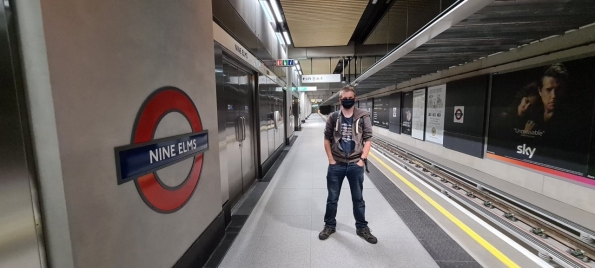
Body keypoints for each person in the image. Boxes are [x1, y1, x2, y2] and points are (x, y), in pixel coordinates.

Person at [320, 86, 377, 244]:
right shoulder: (333, 117)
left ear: (355, 98)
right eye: (344, 98)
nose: (347, 100)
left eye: (350, 98)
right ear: (340, 100)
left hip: (355, 164)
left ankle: (362, 228)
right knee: (332, 198)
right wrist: (331, 160)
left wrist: (362, 160)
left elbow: (368, 140)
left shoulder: (363, 116)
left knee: (358, 199)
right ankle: (329, 225)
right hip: (336, 164)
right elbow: (326, 140)